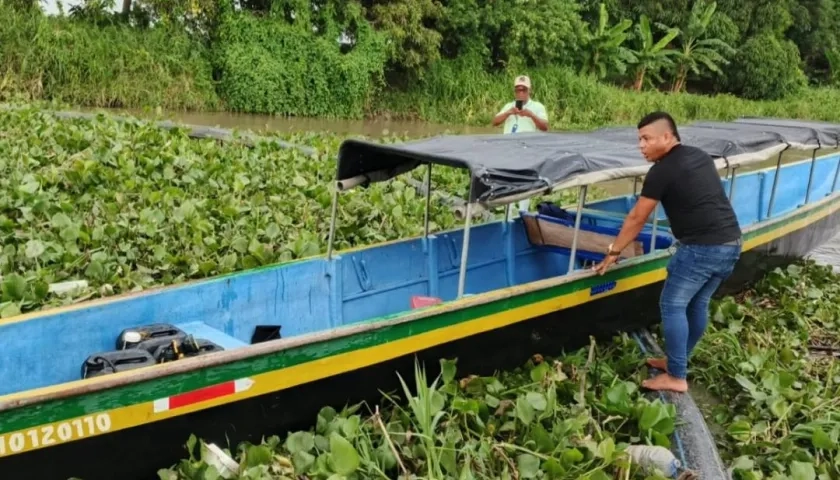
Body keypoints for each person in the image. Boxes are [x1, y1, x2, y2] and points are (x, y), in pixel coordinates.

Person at [592, 111, 743, 393]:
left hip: (703, 248)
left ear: (667, 136)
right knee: (696, 304)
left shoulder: (661, 171)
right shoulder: (698, 155)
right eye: (639, 140)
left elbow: (637, 218)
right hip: (731, 243)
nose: (641, 145)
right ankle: (677, 361)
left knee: (672, 305)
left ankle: (676, 376)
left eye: (646, 139)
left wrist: (613, 252)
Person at [492, 75, 549, 212]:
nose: (521, 93)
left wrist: (531, 115)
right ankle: (508, 215)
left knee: (524, 186)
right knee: (508, 185)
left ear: (529, 91)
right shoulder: (509, 106)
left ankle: (523, 214)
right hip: (508, 152)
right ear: (515, 91)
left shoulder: (537, 107)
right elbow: (495, 122)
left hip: (527, 153)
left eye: (524, 90)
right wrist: (508, 113)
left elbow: (545, 127)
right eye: (518, 90)